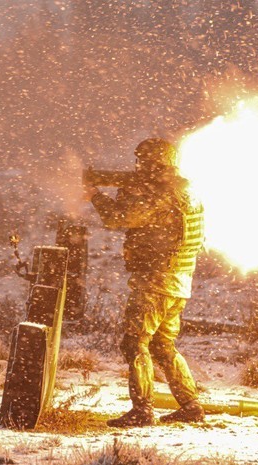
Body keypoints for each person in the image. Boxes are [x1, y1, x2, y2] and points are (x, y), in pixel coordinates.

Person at [84, 138, 206, 427]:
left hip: (156, 281)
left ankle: (142, 410)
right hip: (178, 280)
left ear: (152, 164)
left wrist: (94, 195)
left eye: (142, 162)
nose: (137, 168)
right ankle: (191, 406)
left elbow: (117, 217)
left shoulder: (160, 196)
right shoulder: (186, 192)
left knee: (135, 343)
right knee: (163, 346)